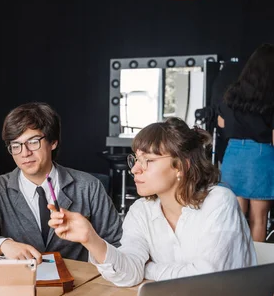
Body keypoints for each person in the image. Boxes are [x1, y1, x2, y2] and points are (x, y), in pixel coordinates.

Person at [49, 118, 257, 287]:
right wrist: (91, 240)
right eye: (136, 160)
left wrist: (148, 269)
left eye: (148, 160)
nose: (135, 170)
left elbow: (206, 279)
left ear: (181, 167)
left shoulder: (219, 201)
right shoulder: (142, 210)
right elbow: (129, 275)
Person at [0, 102, 122, 262]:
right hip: (22, 282)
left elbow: (116, 244)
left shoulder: (89, 187)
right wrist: (4, 245)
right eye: (16, 145)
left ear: (53, 142)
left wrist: (91, 240)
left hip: (79, 283)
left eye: (33, 142)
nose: (25, 153)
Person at [218, 43, 274, 242]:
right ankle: (255, 270)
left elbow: (221, 122)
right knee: (258, 219)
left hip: (234, 156)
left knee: (235, 218)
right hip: (261, 156)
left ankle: (235, 266)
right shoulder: (270, 97)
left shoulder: (233, 93)